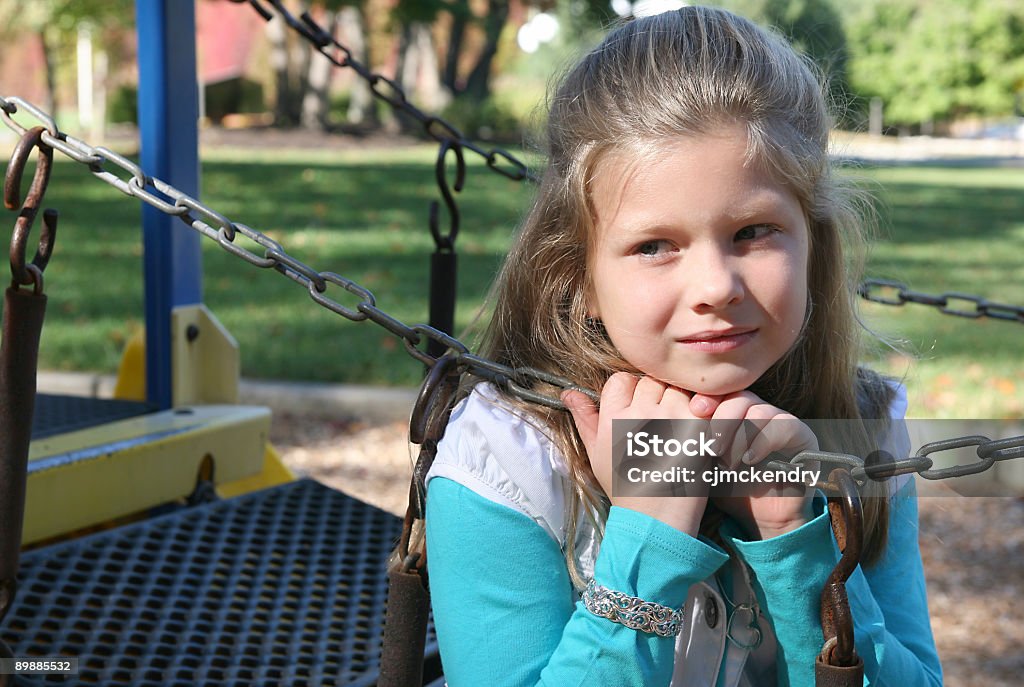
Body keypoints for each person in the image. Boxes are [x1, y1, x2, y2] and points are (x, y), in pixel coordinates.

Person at [422, 6, 943, 686]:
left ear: (814, 248)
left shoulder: (863, 423)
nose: (715, 286)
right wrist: (648, 539)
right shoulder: (505, 460)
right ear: (579, 276)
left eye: (754, 231)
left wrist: (796, 537)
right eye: (654, 245)